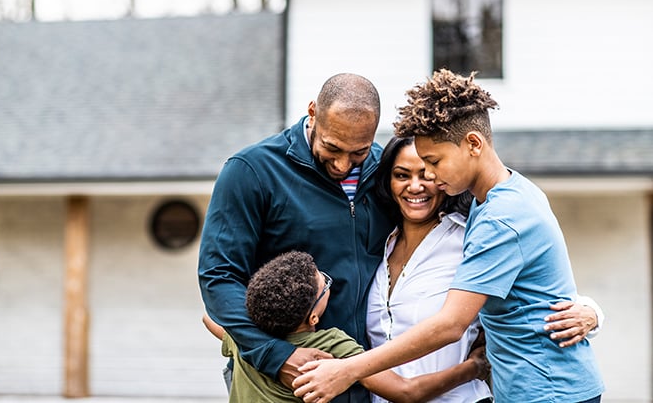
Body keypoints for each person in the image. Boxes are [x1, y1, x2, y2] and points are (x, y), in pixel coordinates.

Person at [292, 69, 605, 403]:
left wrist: (347, 370)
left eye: (434, 161)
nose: (429, 175)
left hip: (549, 391)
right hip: (533, 388)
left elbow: (450, 324)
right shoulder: (503, 198)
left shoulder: (501, 216)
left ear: (473, 144)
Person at [198, 73, 395, 402]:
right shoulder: (252, 171)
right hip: (280, 383)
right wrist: (276, 356)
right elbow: (219, 277)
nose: (343, 164)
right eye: (332, 147)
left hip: (363, 383)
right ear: (313, 112)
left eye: (357, 153)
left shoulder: (387, 172)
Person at [367, 136, 603, 403]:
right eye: (402, 175)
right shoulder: (376, 243)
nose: (417, 185)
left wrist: (590, 311)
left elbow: (529, 288)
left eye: (430, 169)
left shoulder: (472, 235)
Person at [203, 250, 490, 402]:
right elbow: (406, 391)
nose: (328, 283)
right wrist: (472, 368)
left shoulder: (246, 340)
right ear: (313, 318)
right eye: (324, 284)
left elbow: (210, 318)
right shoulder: (330, 346)